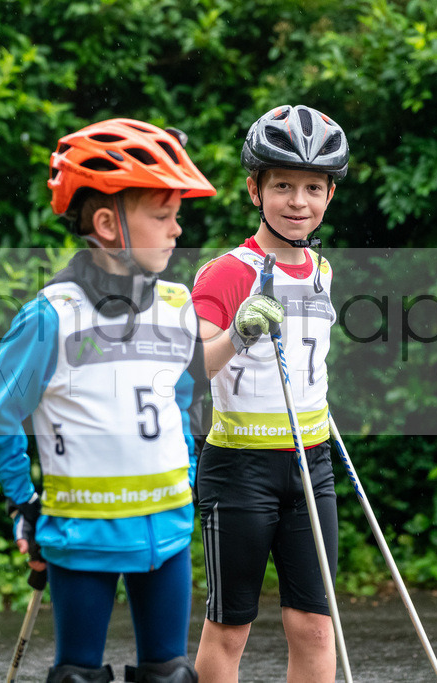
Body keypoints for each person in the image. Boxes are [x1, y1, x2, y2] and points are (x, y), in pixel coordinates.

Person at [0, 118, 216, 683]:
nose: (177, 230)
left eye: (176, 215)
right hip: (81, 535)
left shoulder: (177, 305)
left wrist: (189, 469)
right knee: (77, 677)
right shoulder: (52, 316)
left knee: (172, 675)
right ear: (108, 223)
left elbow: (179, 399)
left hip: (168, 531)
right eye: (162, 216)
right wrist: (23, 502)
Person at [190, 104, 349, 683]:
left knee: (314, 625)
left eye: (313, 187)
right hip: (239, 468)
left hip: (312, 462)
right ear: (255, 190)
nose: (298, 202)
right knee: (230, 627)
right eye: (283, 185)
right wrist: (239, 333)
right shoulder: (225, 273)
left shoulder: (322, 268)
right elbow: (193, 370)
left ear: (330, 194)